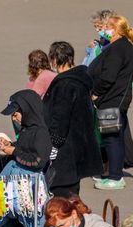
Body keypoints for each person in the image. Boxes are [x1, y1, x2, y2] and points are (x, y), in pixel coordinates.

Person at [0, 90, 54, 227]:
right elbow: (23, 148)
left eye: (16, 114)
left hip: (31, 189)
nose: (14, 118)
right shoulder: (27, 130)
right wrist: (10, 145)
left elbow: (38, 161)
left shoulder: (41, 133)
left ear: (27, 111)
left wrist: (14, 152)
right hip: (18, 186)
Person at [43, 41, 103, 197]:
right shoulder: (81, 78)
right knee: (73, 191)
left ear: (55, 59)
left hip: (66, 150)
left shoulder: (65, 84)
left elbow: (60, 117)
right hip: (79, 143)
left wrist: (53, 144)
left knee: (62, 195)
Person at [88, 14, 133, 191]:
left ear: (116, 30)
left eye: (108, 26)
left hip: (112, 100)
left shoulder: (118, 48)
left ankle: (115, 177)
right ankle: (114, 174)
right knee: (114, 137)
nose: (105, 29)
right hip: (115, 99)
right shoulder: (121, 46)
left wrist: (95, 93)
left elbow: (108, 76)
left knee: (111, 138)